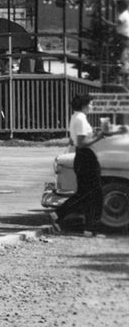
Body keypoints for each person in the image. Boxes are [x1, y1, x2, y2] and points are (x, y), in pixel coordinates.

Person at [61, 92, 123, 229]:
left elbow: (76, 139)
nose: (92, 106)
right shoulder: (81, 119)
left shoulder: (76, 117)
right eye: (91, 104)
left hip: (81, 156)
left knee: (84, 193)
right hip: (86, 157)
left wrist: (92, 133)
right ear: (84, 105)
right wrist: (100, 136)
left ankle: (61, 214)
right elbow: (82, 142)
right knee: (95, 194)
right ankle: (91, 225)